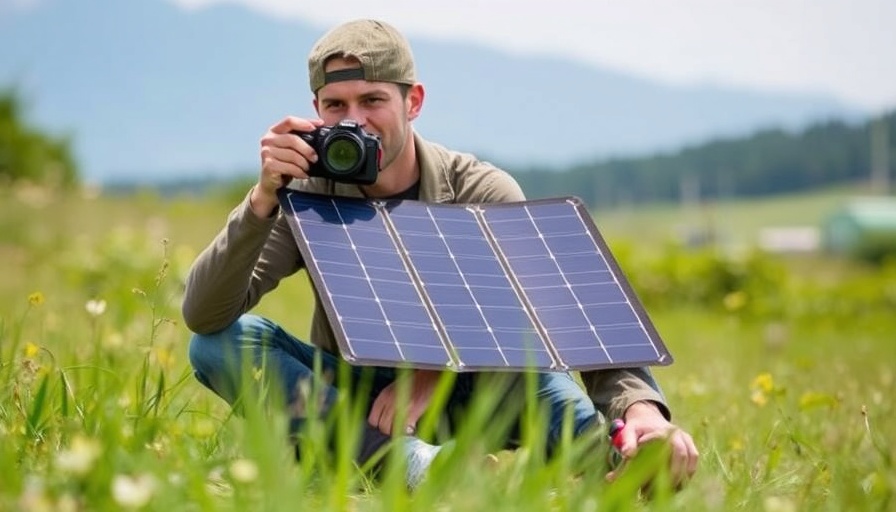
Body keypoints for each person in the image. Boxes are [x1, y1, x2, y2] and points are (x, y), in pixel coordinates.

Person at [182, 19, 698, 490]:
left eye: (372, 100)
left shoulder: (481, 190)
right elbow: (205, 314)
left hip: (487, 387)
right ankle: (410, 466)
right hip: (362, 400)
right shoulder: (306, 192)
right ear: (316, 112)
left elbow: (576, 316)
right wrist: (263, 200)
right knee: (213, 346)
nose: (355, 122)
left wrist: (642, 409)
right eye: (336, 106)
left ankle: (628, 461)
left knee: (544, 377)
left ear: (414, 102)